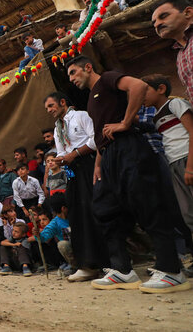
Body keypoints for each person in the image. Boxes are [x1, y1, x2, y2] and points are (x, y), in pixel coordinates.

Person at [66, 55, 191, 293]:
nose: (71, 79)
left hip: (129, 148)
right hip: (109, 155)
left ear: (87, 68)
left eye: (73, 72)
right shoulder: (92, 100)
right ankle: (122, 270)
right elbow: (102, 133)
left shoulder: (107, 80)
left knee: (148, 205)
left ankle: (171, 270)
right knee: (104, 209)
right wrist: (98, 164)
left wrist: (124, 123)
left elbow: (138, 86)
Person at [44, 91, 110, 282]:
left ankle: (109, 263)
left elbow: (96, 139)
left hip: (89, 165)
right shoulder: (57, 128)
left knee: (94, 210)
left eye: (51, 105)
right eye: (47, 108)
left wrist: (75, 153)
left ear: (62, 102)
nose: (49, 110)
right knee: (76, 214)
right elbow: (63, 151)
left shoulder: (81, 116)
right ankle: (87, 265)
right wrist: (61, 159)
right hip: (72, 171)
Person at [142, 74, 193, 232]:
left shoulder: (175, 104)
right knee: (188, 212)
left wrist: (190, 167)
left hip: (187, 157)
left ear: (161, 89)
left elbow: (192, 131)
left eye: (145, 91)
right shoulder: (156, 117)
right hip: (173, 163)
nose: (141, 96)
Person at [151, 0, 193, 99]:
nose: (157, 24)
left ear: (188, 13)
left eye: (163, 16)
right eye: (154, 23)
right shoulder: (180, 56)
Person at [29, 193, 74, 270]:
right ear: (63, 208)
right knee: (62, 244)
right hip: (72, 250)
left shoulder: (76, 216)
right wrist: (37, 234)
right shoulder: (55, 223)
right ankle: (74, 266)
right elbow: (43, 238)